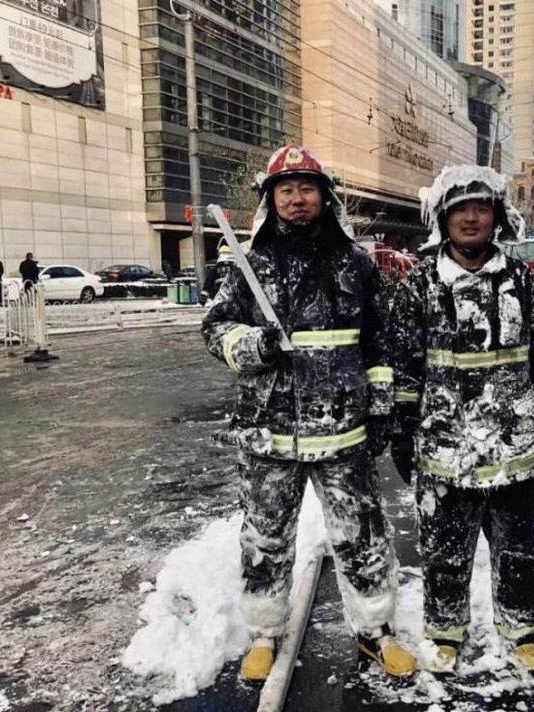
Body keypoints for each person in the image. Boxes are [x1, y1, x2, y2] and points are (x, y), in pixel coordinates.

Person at [201, 144, 416, 683]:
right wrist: (256, 345)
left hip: (343, 426)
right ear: (271, 200)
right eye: (286, 190)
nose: (298, 200)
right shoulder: (248, 266)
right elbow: (215, 329)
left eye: (307, 189)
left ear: (325, 197)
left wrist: (383, 413)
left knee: (361, 533)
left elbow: (380, 344)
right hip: (269, 429)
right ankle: (264, 634)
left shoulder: (356, 266)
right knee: (266, 535)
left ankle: (375, 631)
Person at [389, 165, 534, 674]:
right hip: (444, 446)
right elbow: (405, 366)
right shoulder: (419, 285)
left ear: (497, 218)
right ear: (444, 219)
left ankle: (522, 631)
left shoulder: (522, 283)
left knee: (520, 550)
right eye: (460, 209)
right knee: (444, 552)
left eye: (481, 208)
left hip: (515, 445)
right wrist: (401, 430)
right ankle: (445, 633)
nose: (471, 218)